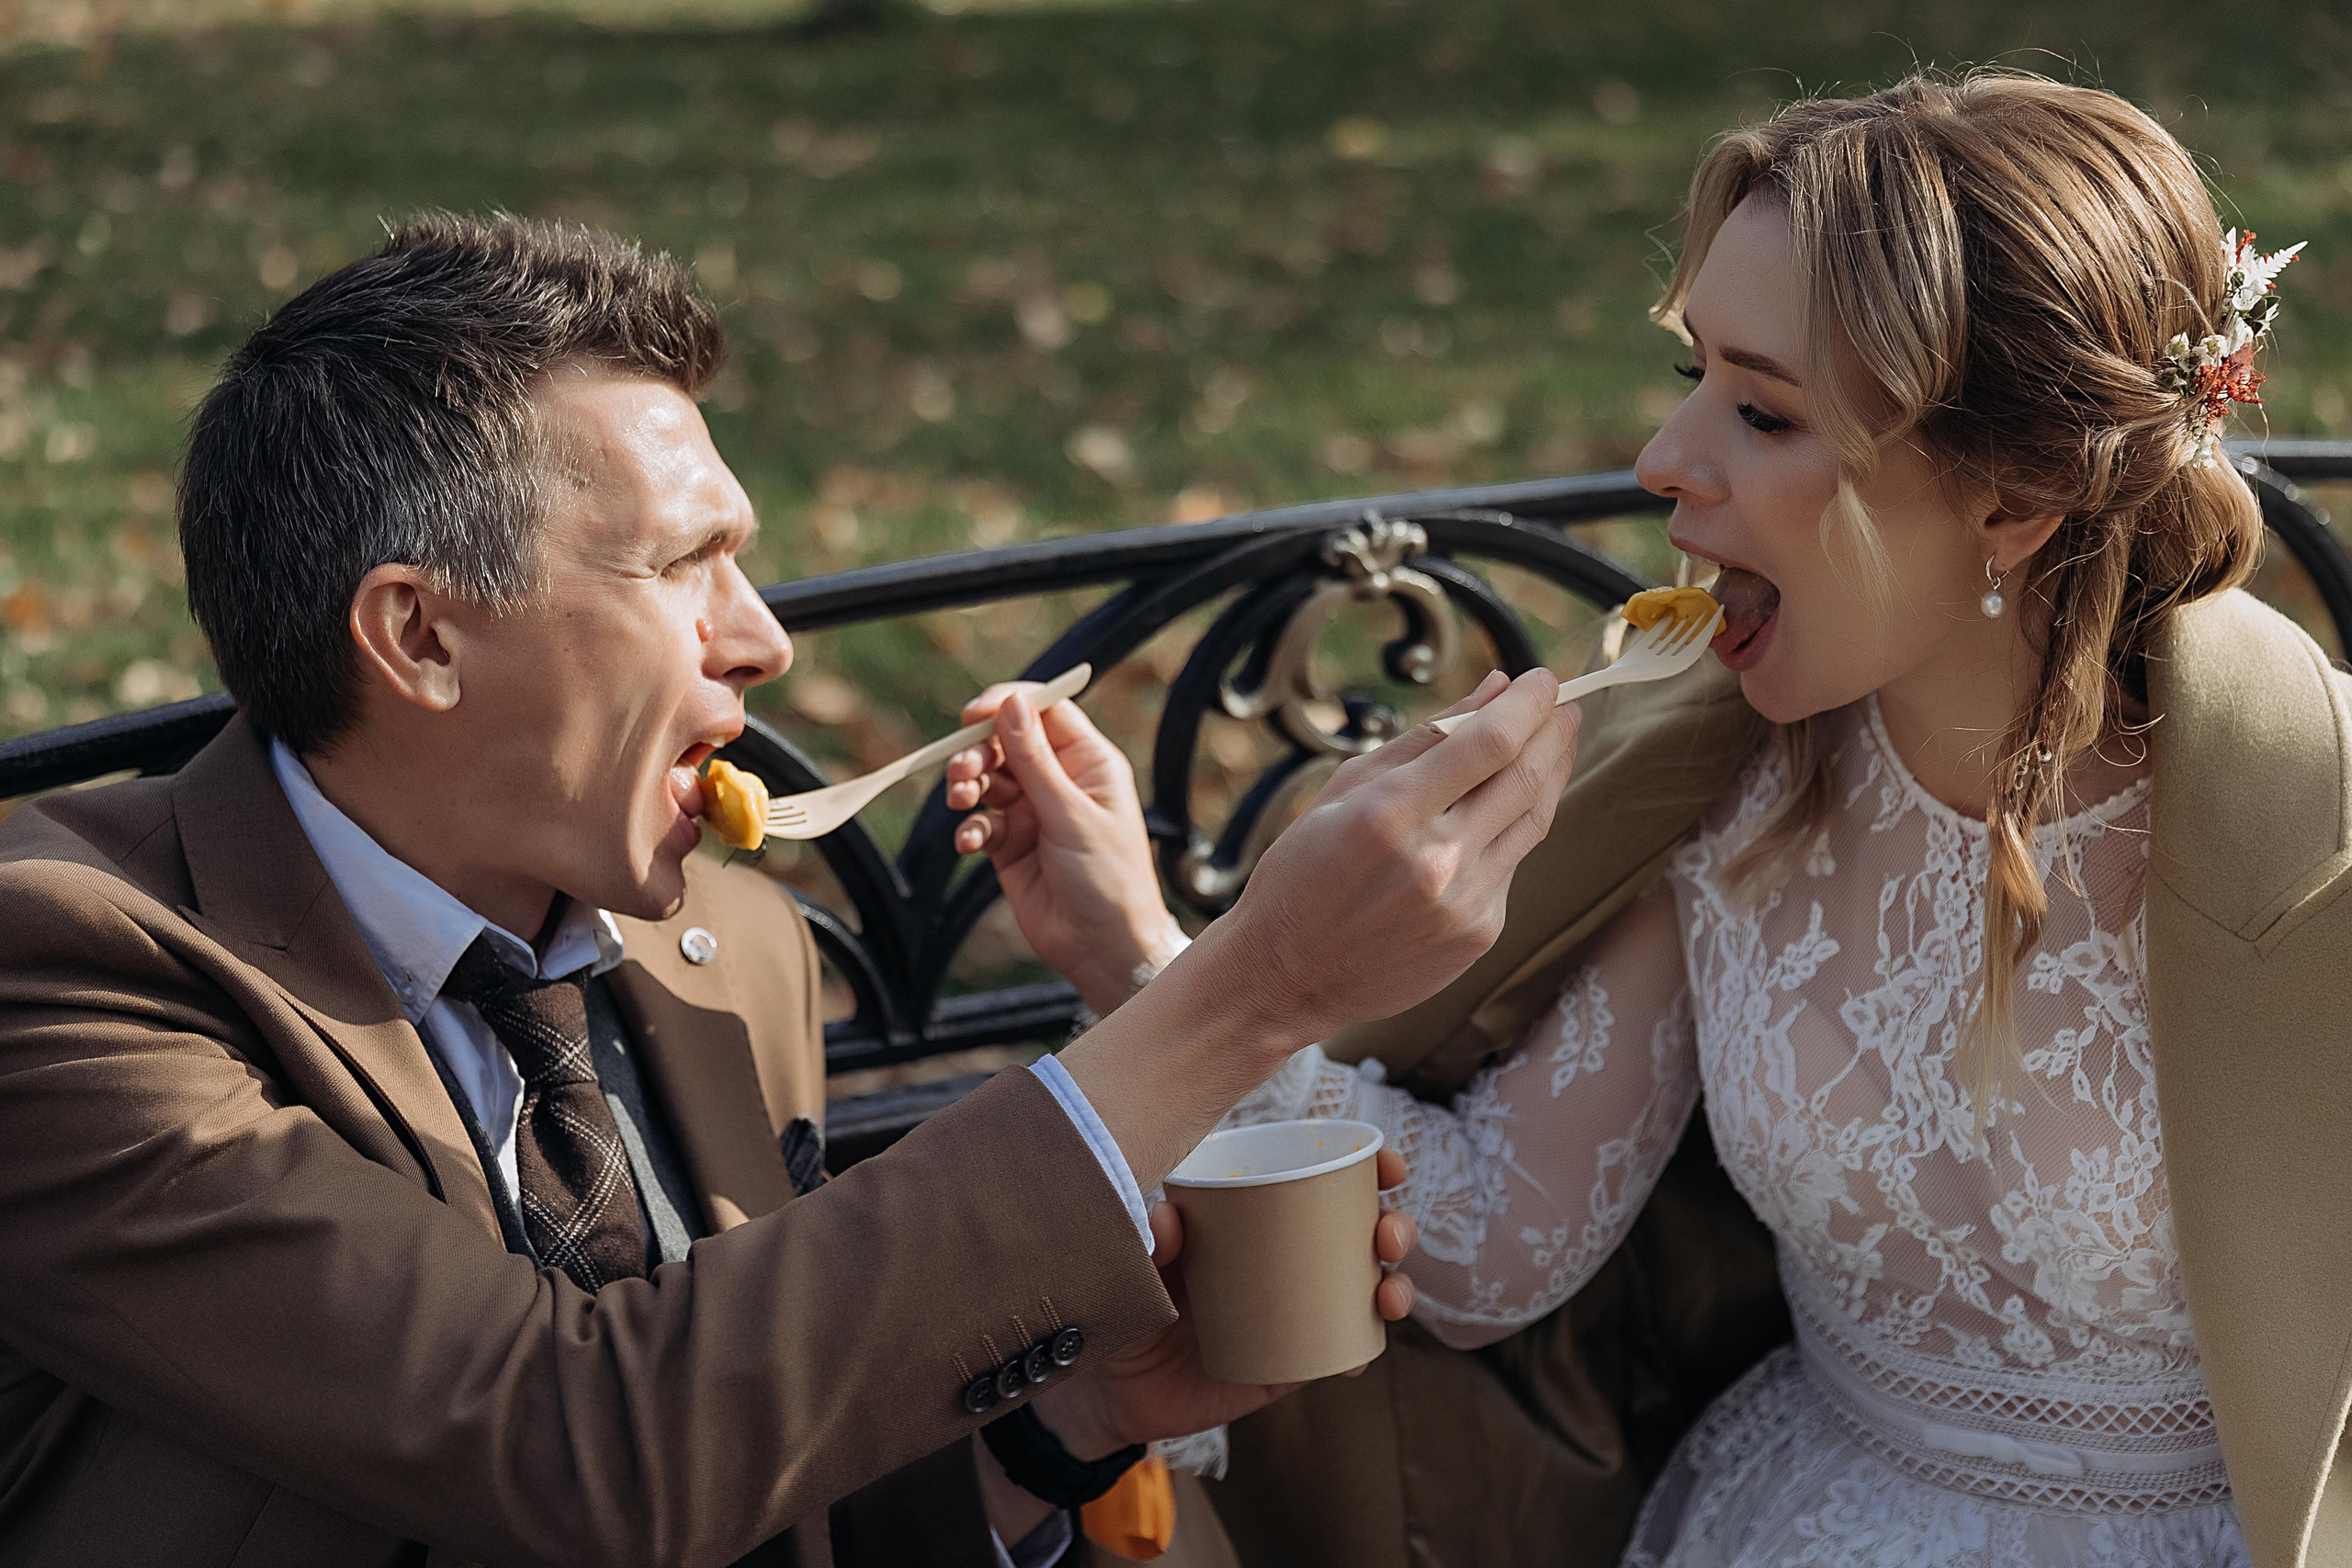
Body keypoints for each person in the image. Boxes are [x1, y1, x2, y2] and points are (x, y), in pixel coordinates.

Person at [0, 214, 1584, 1568]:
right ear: (418, 636)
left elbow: (757, 1475)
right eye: (683, 565)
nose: (759, 639)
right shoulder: (66, 969)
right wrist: (1251, 993)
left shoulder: (732, 948)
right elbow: (580, 1445)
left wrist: (1064, 1424)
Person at [965, 73, 2352, 1568]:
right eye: (1694, 376)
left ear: (2012, 497)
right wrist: (1148, 957)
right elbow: (1494, 1244)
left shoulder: (2308, 834)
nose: (1664, 462)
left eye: (1760, 410)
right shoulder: (1730, 795)